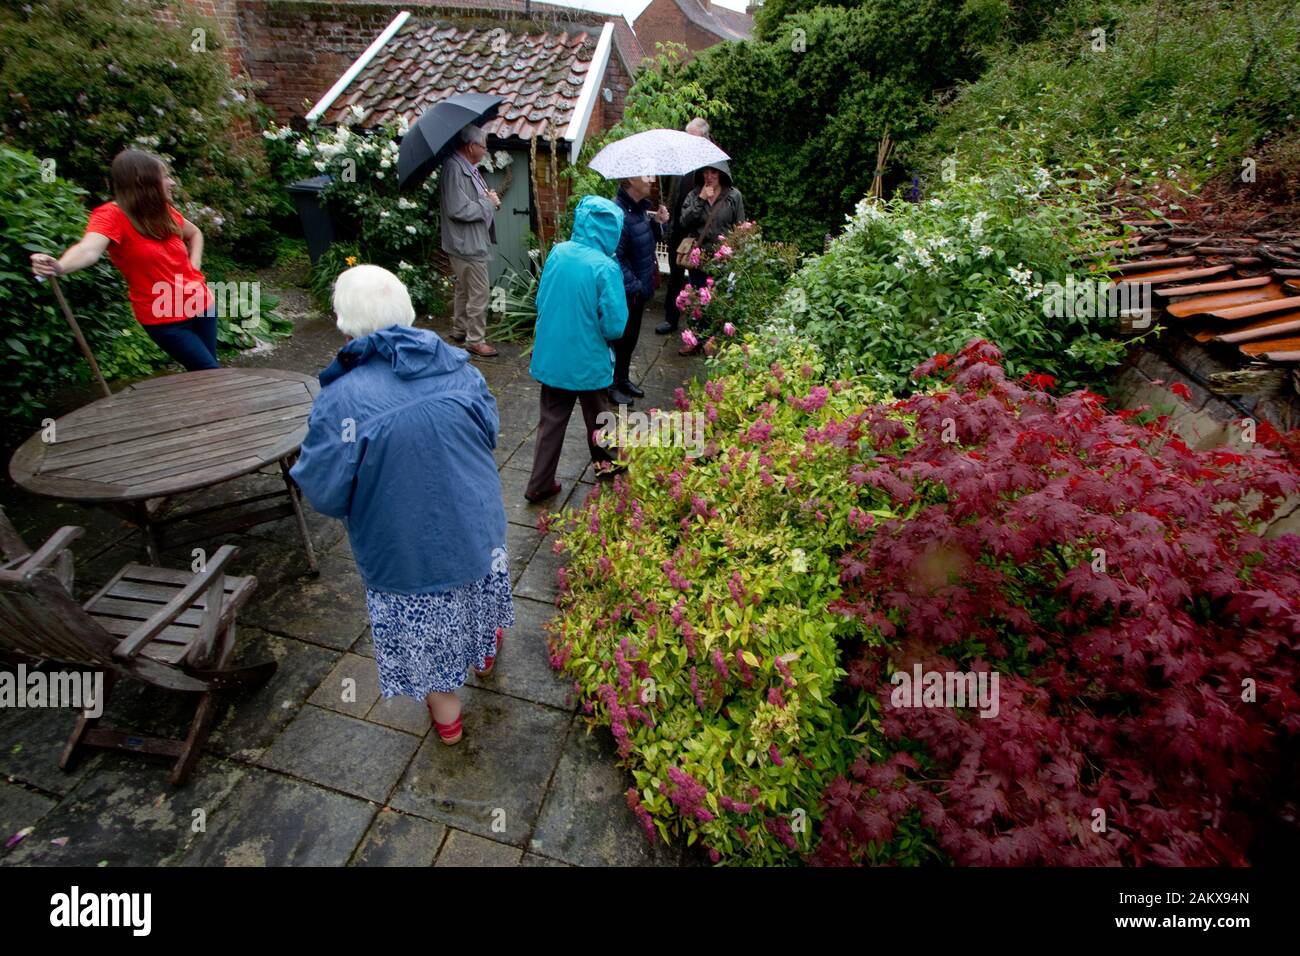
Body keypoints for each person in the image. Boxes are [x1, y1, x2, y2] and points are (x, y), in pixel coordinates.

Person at [290, 265, 514, 746]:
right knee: (481, 595)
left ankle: (450, 728)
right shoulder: (459, 367)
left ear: (345, 323)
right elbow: (491, 434)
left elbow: (326, 494)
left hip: (409, 559)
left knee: (432, 645)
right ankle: (486, 654)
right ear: (407, 311)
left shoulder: (341, 401)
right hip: (479, 530)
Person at [29, 149, 219, 371]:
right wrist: (60, 266)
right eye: (165, 177)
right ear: (142, 181)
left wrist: (193, 266)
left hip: (202, 305)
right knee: (209, 372)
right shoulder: (111, 216)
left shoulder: (162, 211)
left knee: (206, 374)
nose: (171, 183)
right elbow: (88, 249)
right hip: (165, 318)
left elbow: (195, 233)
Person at [525, 195, 629, 503]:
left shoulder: (558, 252)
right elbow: (614, 325)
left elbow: (540, 300)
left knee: (551, 422)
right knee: (599, 415)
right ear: (612, 230)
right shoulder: (606, 268)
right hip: (588, 359)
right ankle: (607, 464)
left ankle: (539, 483)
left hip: (554, 357)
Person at [439, 124, 501, 358]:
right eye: (483, 147)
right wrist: (488, 204)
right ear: (471, 146)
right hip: (467, 244)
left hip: (465, 242)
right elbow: (458, 209)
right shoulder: (455, 169)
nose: (485, 151)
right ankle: (475, 340)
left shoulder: (465, 168)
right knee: (478, 292)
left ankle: (460, 330)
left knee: (464, 289)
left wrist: (486, 197)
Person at [609, 175, 669, 407]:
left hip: (637, 292)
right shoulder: (619, 213)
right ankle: (610, 386)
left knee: (631, 338)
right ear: (630, 180)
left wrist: (658, 224)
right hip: (627, 291)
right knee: (619, 340)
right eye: (646, 175)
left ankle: (622, 379)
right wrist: (636, 285)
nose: (652, 179)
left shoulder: (639, 210)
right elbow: (616, 258)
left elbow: (643, 242)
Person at [677, 159, 745, 354]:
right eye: (706, 172)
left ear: (722, 174)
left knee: (718, 300)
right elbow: (684, 222)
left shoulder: (734, 196)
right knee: (696, 299)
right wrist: (700, 199)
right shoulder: (694, 195)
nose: (709, 176)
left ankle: (712, 341)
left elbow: (740, 228)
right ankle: (694, 340)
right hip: (699, 258)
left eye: (714, 172)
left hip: (722, 259)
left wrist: (733, 254)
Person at [655, 117, 711, 337]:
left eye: (692, 137)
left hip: (698, 235)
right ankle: (671, 319)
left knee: (698, 282)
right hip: (678, 230)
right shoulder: (682, 163)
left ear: (704, 139)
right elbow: (675, 195)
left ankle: (698, 329)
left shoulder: (710, 166)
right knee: (675, 277)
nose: (688, 141)